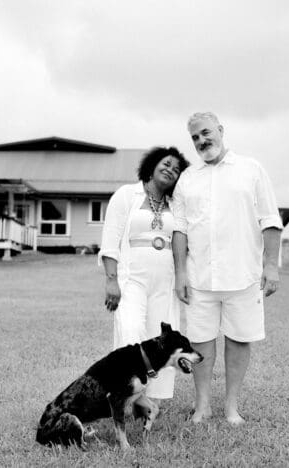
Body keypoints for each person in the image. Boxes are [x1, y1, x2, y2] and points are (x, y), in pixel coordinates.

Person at [172, 112, 283, 425]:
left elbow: (270, 219)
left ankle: (231, 407)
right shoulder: (188, 178)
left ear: (220, 130)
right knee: (200, 341)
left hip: (243, 276)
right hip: (199, 279)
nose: (201, 141)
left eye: (206, 133)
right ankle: (202, 406)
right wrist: (180, 272)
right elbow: (179, 229)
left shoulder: (251, 169)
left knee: (238, 338)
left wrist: (271, 265)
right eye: (194, 137)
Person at [99, 146, 189, 401]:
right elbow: (110, 240)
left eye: (177, 169)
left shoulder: (176, 206)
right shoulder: (127, 195)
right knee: (130, 331)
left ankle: (149, 401)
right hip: (132, 280)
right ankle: (124, 394)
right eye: (167, 163)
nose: (171, 170)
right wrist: (111, 280)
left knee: (160, 341)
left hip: (164, 282)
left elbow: (182, 242)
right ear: (152, 164)